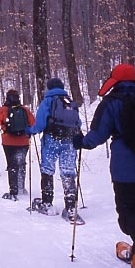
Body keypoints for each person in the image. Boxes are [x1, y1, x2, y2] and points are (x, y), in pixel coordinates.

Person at [72, 63, 135, 268]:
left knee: (127, 213)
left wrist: (81, 142)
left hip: (127, 168)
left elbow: (97, 135)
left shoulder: (112, 102)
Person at [26, 78, 81, 221]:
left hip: (52, 140)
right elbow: (78, 123)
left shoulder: (47, 101)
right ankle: (71, 208)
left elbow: (40, 124)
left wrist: (30, 131)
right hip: (69, 141)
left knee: (47, 170)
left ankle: (47, 203)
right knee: (68, 172)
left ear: (48, 88)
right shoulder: (69, 101)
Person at [0, 89, 35, 200]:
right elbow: (34, 123)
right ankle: (21, 187)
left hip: (8, 142)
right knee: (21, 163)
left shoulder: (2, 110)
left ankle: (13, 191)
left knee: (12, 164)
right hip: (23, 141)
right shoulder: (25, 110)